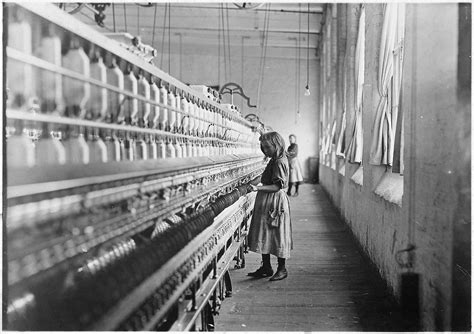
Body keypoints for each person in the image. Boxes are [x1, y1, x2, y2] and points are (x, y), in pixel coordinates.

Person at [246, 131, 293, 281]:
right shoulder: (275, 159)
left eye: (267, 147)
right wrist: (252, 182)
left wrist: (257, 188)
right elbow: (266, 177)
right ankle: (266, 267)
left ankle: (282, 269)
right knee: (264, 233)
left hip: (274, 201)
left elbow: (277, 186)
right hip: (267, 201)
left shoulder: (279, 161)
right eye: (263, 147)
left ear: (276, 145)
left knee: (277, 234)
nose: (265, 150)